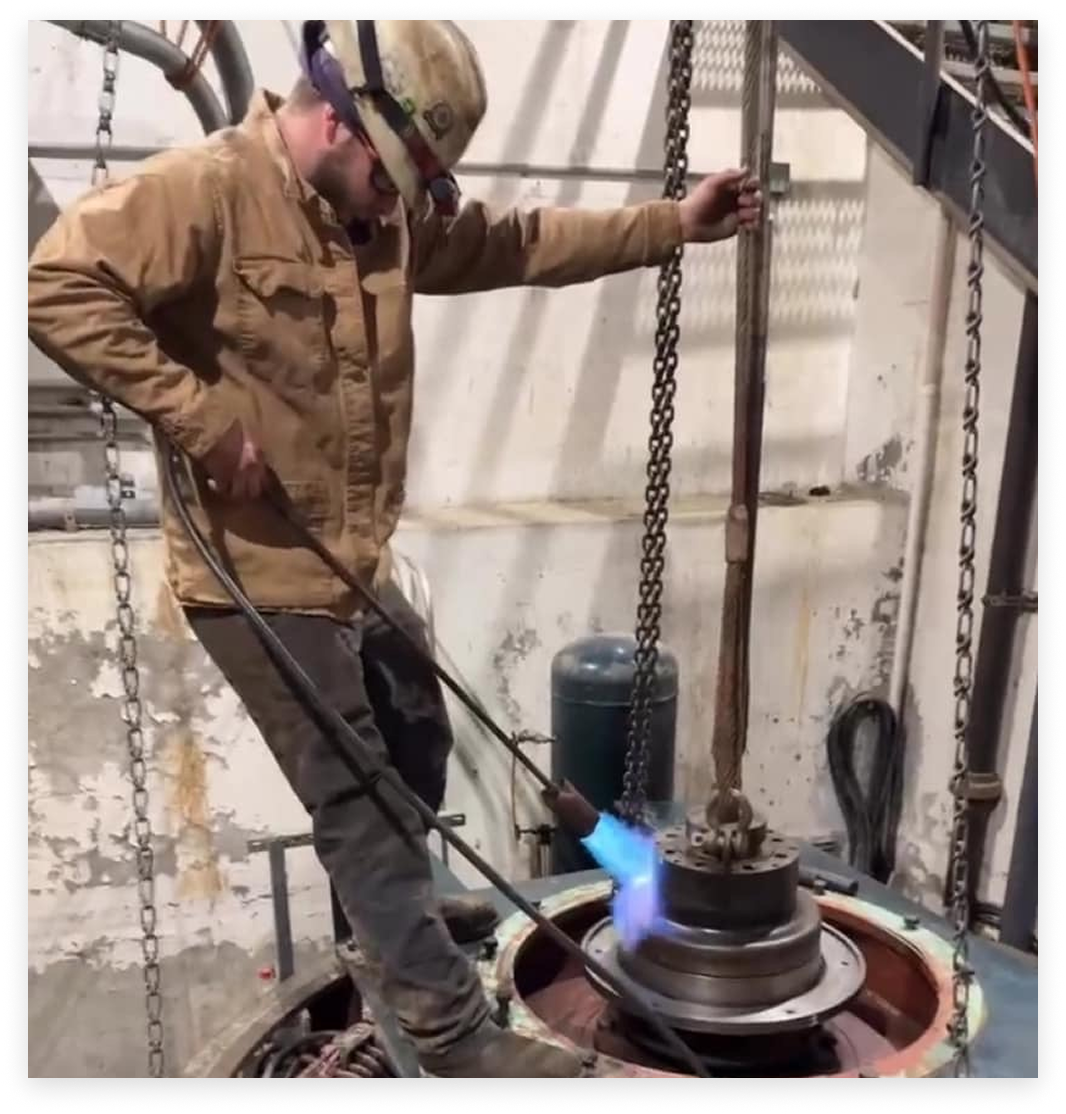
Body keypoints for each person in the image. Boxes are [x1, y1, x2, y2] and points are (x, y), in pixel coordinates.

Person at [27, 19, 762, 1077]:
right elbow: (57, 282)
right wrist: (195, 415)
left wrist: (672, 223)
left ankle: (390, 920)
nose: (397, 209)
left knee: (415, 732)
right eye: (392, 179)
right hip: (260, 579)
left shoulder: (371, 212)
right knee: (361, 794)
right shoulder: (207, 191)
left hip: (352, 560)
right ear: (333, 116)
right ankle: (449, 1032)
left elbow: (517, 243)